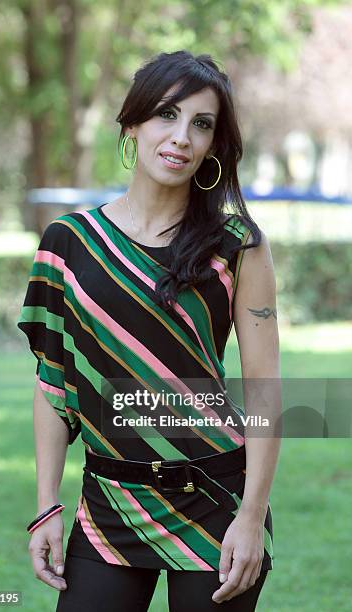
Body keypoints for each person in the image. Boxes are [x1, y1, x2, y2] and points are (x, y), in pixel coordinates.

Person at [17, 50, 281, 611]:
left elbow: (264, 388)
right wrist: (46, 504)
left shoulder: (237, 247)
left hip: (217, 501)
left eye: (201, 123)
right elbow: (53, 384)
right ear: (131, 124)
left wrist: (251, 516)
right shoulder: (68, 242)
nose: (181, 136)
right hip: (110, 502)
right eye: (166, 114)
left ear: (214, 145)